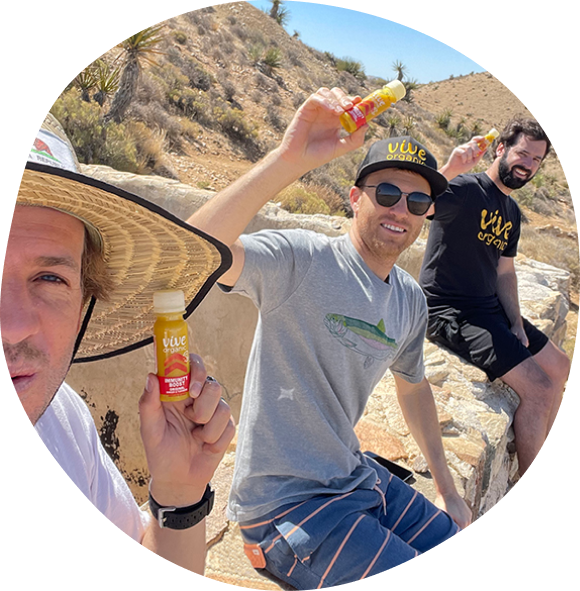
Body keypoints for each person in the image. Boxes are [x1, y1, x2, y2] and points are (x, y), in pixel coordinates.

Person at [187, 87, 471, 588]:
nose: (400, 209)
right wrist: (287, 158)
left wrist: (447, 489)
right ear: (354, 197)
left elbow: (414, 386)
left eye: (418, 199)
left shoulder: (408, 298)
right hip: (286, 508)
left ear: (427, 214)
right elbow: (192, 251)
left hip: (359, 477)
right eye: (387, 193)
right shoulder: (302, 259)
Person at [3, 113, 235, 573]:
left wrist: (178, 494)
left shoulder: (62, 420)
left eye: (51, 277)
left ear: (83, 304)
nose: (12, 327)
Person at [419, 116, 570, 476]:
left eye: (536, 160)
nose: (528, 165)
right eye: (522, 154)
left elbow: (505, 272)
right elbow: (419, 206)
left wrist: (516, 323)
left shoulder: (512, 212)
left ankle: (532, 440)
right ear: (500, 149)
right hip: (449, 311)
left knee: (560, 366)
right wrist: (452, 167)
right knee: (539, 388)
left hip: (488, 309)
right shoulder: (466, 189)